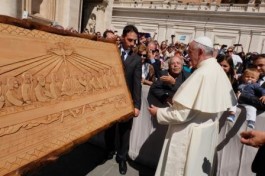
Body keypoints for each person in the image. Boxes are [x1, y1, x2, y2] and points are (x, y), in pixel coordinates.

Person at [148, 36, 237, 176]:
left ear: (200, 52)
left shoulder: (202, 74)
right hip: (205, 133)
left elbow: (182, 114)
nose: (188, 57)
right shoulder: (216, 69)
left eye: (190, 52)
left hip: (188, 135)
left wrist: (158, 112)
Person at [104, 25, 142, 175]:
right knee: (109, 129)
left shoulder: (137, 59)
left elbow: (137, 84)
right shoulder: (110, 52)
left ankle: (122, 158)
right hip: (110, 100)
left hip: (127, 102)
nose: (133, 43)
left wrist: (136, 105)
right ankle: (108, 150)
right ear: (122, 37)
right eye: (130, 40)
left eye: (135, 41)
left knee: (125, 132)